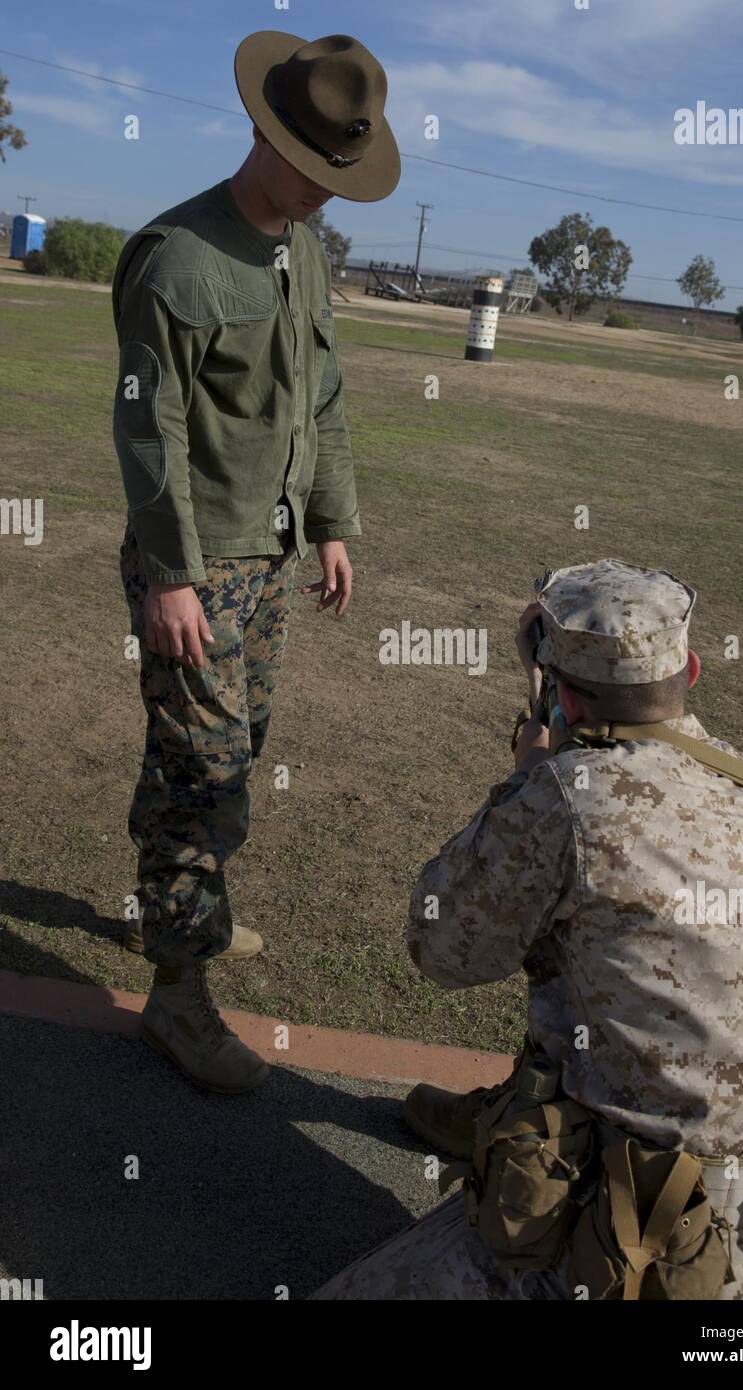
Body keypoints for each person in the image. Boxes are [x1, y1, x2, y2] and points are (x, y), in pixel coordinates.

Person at [312, 559, 743, 1299]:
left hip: (647, 1231)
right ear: (691, 669)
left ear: (564, 698)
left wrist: (526, 776)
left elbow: (442, 951)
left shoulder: (564, 801)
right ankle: (502, 1111)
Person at [112, 31, 400, 1093]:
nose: (328, 194)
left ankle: (188, 905)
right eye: (314, 168)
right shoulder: (177, 256)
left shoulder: (306, 254)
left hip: (265, 563)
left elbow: (318, 396)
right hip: (193, 562)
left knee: (233, 753)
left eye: (341, 173)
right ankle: (178, 996)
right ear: (263, 132)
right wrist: (171, 573)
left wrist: (330, 522)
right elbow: (151, 429)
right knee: (202, 768)